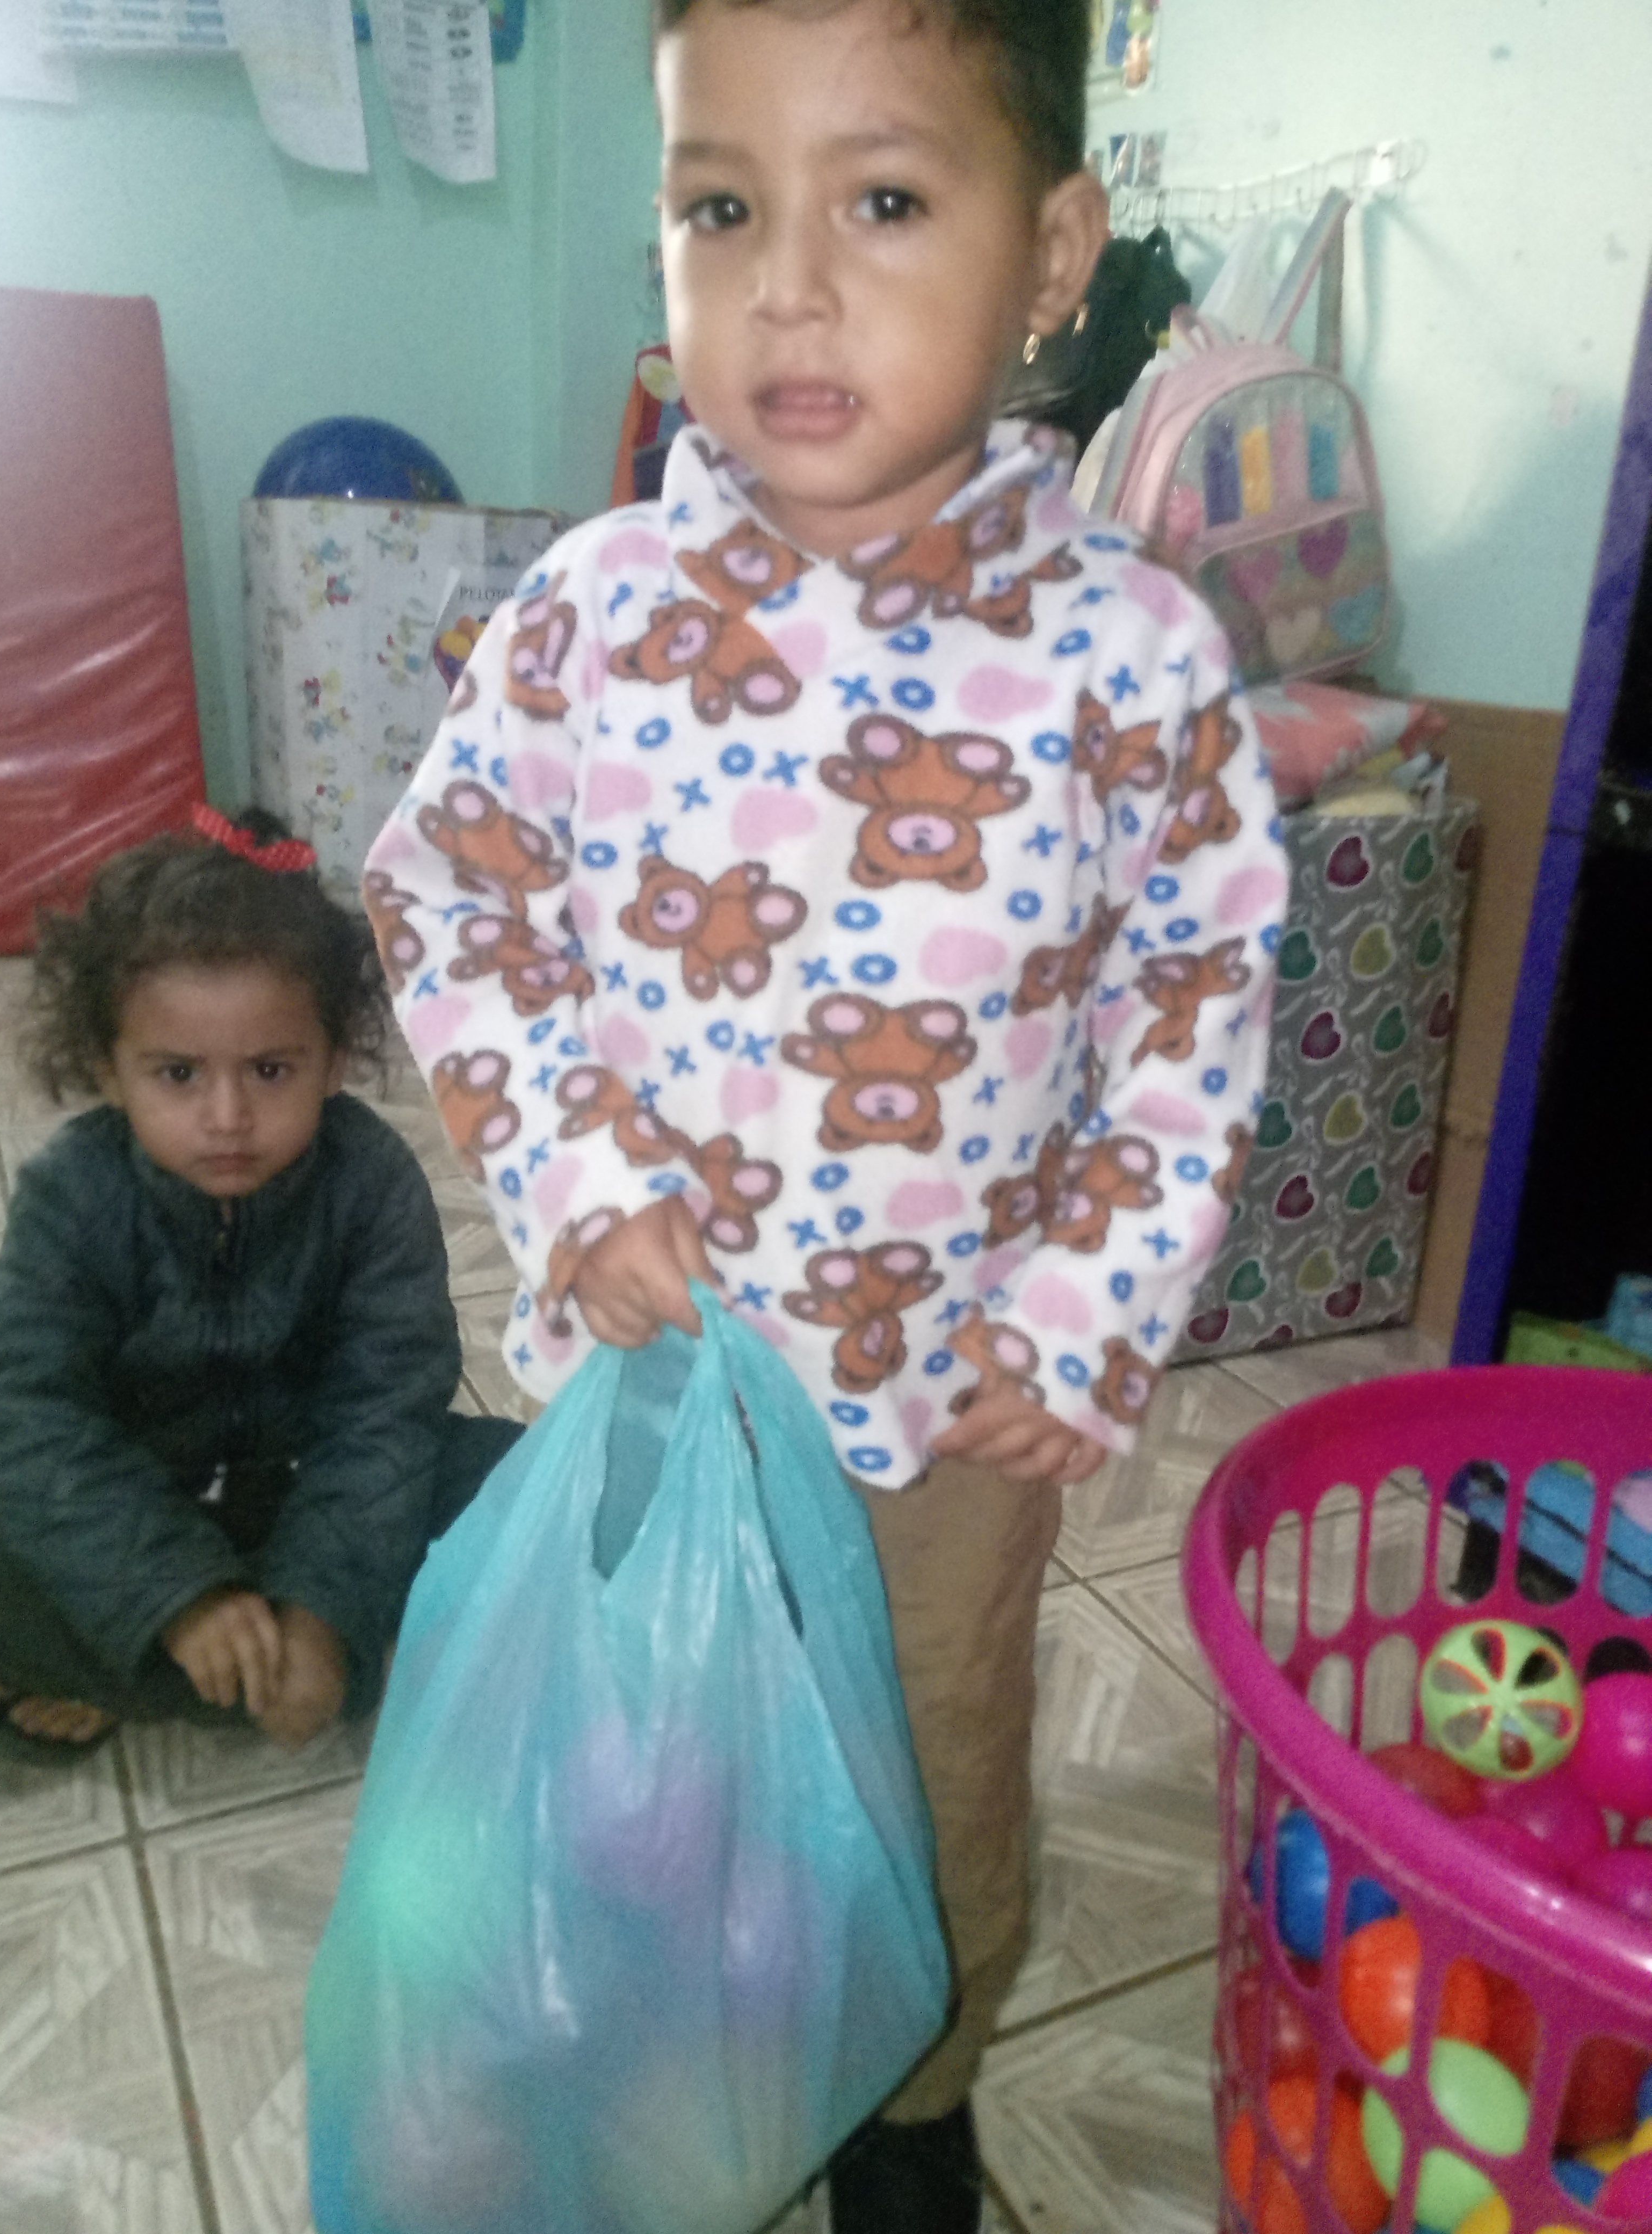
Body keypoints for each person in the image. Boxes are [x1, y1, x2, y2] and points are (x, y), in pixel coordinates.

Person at [365, 0, 1288, 2224]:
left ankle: (910, 2083)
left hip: (947, 1411)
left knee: (932, 1764)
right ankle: (648, 2050)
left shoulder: (1133, 656)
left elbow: (1193, 1002)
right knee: (642, 1769)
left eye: (881, 200)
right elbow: (451, 897)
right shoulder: (591, 615)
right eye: (720, 205)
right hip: (656, 1377)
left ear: (1051, 251)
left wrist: (1088, 1306)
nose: (786, 284)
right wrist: (574, 1174)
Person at [0, 806, 521, 1772]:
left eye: (271, 1070)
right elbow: (25, 1416)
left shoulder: (372, 1180)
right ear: (110, 1069)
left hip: (317, 1483)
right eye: (178, 1073)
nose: (227, 1116)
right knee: (6, 1588)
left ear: (334, 1060)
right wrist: (179, 1598)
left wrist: (322, 1604)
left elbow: (386, 1406)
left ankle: (273, 1659)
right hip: (151, 1492)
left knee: (517, 1481)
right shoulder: (74, 1193)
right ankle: (277, 1659)